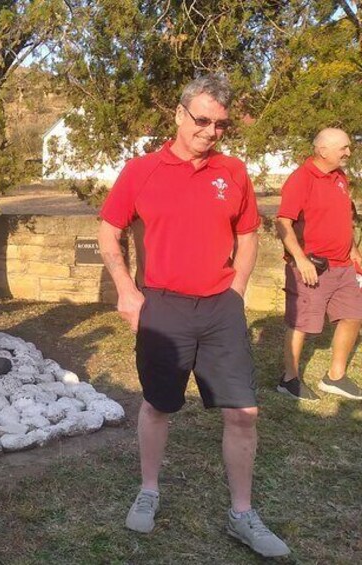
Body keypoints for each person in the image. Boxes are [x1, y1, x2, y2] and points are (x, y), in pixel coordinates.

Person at [98, 75, 289, 557]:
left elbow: (248, 233)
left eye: (220, 124)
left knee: (243, 413)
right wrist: (126, 290)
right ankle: (149, 490)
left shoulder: (234, 171)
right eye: (201, 119)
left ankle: (241, 515)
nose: (210, 131)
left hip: (220, 306)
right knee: (159, 405)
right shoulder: (141, 170)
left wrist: (238, 290)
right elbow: (109, 229)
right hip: (163, 307)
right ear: (179, 115)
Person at [276, 128, 362, 401]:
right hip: (312, 265)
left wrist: (353, 249)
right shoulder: (301, 179)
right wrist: (300, 259)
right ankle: (289, 380)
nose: (349, 152)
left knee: (353, 315)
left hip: (343, 266)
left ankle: (334, 377)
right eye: (344, 148)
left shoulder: (340, 177)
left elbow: (343, 216)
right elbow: (283, 222)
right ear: (323, 150)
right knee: (301, 323)